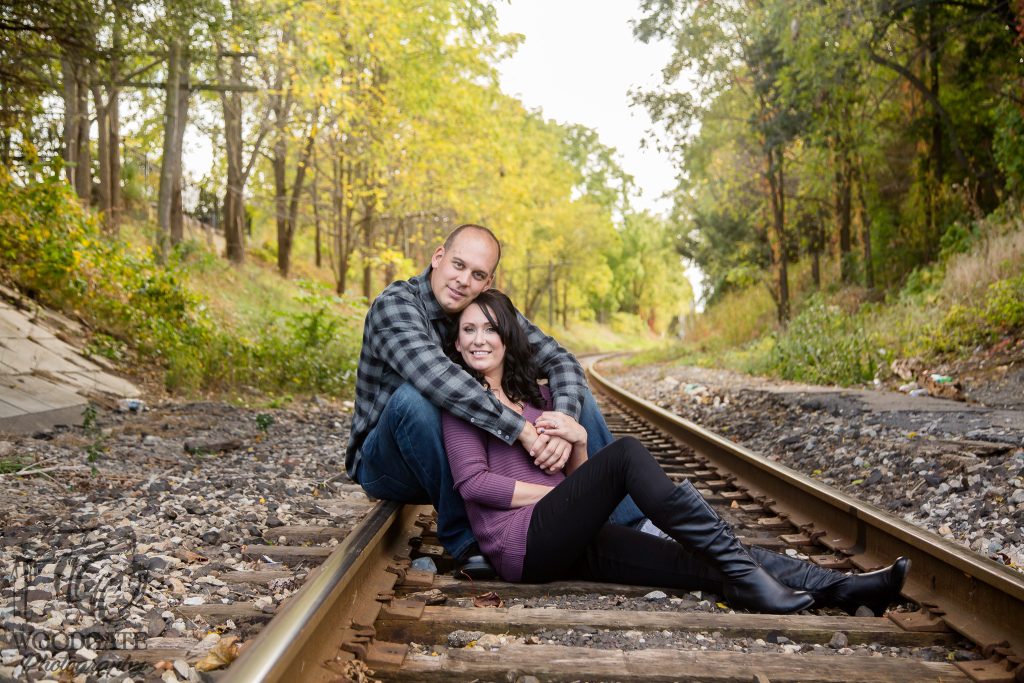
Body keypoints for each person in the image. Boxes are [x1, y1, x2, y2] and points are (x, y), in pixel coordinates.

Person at [441, 290, 910, 614]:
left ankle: (839, 588)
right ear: (457, 343)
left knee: (692, 562)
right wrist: (556, 498)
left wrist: (580, 443)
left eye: (490, 328)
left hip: (569, 538)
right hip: (520, 547)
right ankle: (752, 578)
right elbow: (473, 484)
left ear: (507, 337)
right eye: (468, 330)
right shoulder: (460, 403)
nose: (479, 339)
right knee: (625, 454)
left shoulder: (540, 399)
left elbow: (574, 482)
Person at [345, 224, 642, 579]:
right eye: (457, 265)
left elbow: (561, 361)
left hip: (465, 456)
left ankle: (632, 524)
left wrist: (563, 424)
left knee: (577, 401)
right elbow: (441, 380)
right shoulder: (396, 307)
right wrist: (524, 432)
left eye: (477, 274)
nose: (462, 281)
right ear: (438, 258)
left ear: (487, 283)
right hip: (390, 463)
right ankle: (467, 540)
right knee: (415, 399)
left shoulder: (485, 310)